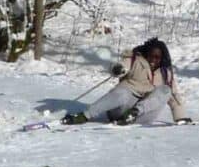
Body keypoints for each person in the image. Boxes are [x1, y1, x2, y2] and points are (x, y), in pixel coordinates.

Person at [62, 38, 191, 125]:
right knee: (123, 92)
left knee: (166, 90)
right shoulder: (135, 61)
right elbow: (123, 65)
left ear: (162, 58)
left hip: (142, 115)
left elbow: (174, 97)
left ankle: (133, 114)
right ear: (146, 54)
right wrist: (118, 69)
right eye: (151, 55)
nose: (153, 59)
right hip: (120, 110)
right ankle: (85, 115)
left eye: (157, 57)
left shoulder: (165, 73)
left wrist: (180, 117)